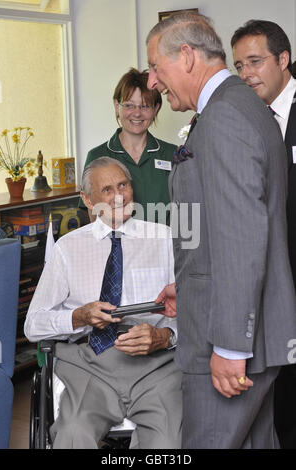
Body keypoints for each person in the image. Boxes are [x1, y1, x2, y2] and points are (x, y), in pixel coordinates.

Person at [146, 12, 296, 449]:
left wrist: (231, 346)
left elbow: (243, 238)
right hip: (234, 322)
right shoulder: (235, 106)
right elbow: (223, 227)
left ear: (187, 57)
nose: (153, 81)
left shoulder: (225, 116)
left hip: (230, 338)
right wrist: (189, 285)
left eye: (157, 67)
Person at [24, 157, 182, 449]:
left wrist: (164, 336)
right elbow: (33, 325)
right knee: (72, 434)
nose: (119, 196)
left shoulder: (164, 239)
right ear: (87, 199)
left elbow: (193, 313)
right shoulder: (67, 249)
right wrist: (78, 317)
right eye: (107, 190)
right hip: (88, 366)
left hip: (156, 365)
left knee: (168, 441)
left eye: (123, 185)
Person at [231, 19, 296, 449]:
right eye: (239, 65)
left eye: (255, 61)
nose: (246, 74)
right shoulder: (245, 118)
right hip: (270, 282)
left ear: (283, 59)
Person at [79, 67, 176, 224]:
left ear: (156, 109)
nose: (137, 113)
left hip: (162, 246)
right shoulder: (97, 156)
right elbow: (94, 218)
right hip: (118, 247)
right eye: (129, 105)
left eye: (145, 106)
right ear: (117, 106)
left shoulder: (172, 154)